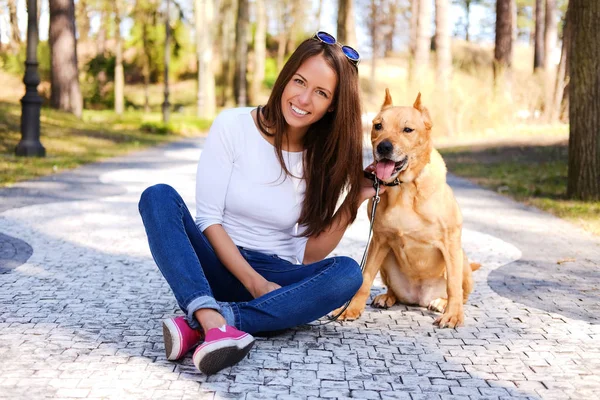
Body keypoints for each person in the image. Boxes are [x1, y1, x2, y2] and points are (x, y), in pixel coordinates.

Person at [138, 31, 384, 375]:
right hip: (218, 261)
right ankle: (213, 314)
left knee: (347, 274)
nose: (304, 98)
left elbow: (309, 254)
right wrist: (254, 284)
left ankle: (211, 322)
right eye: (299, 81)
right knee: (158, 196)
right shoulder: (233, 125)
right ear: (285, 78)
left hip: (277, 273)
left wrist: (355, 196)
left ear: (332, 106)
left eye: (321, 93)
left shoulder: (325, 156)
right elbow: (208, 220)